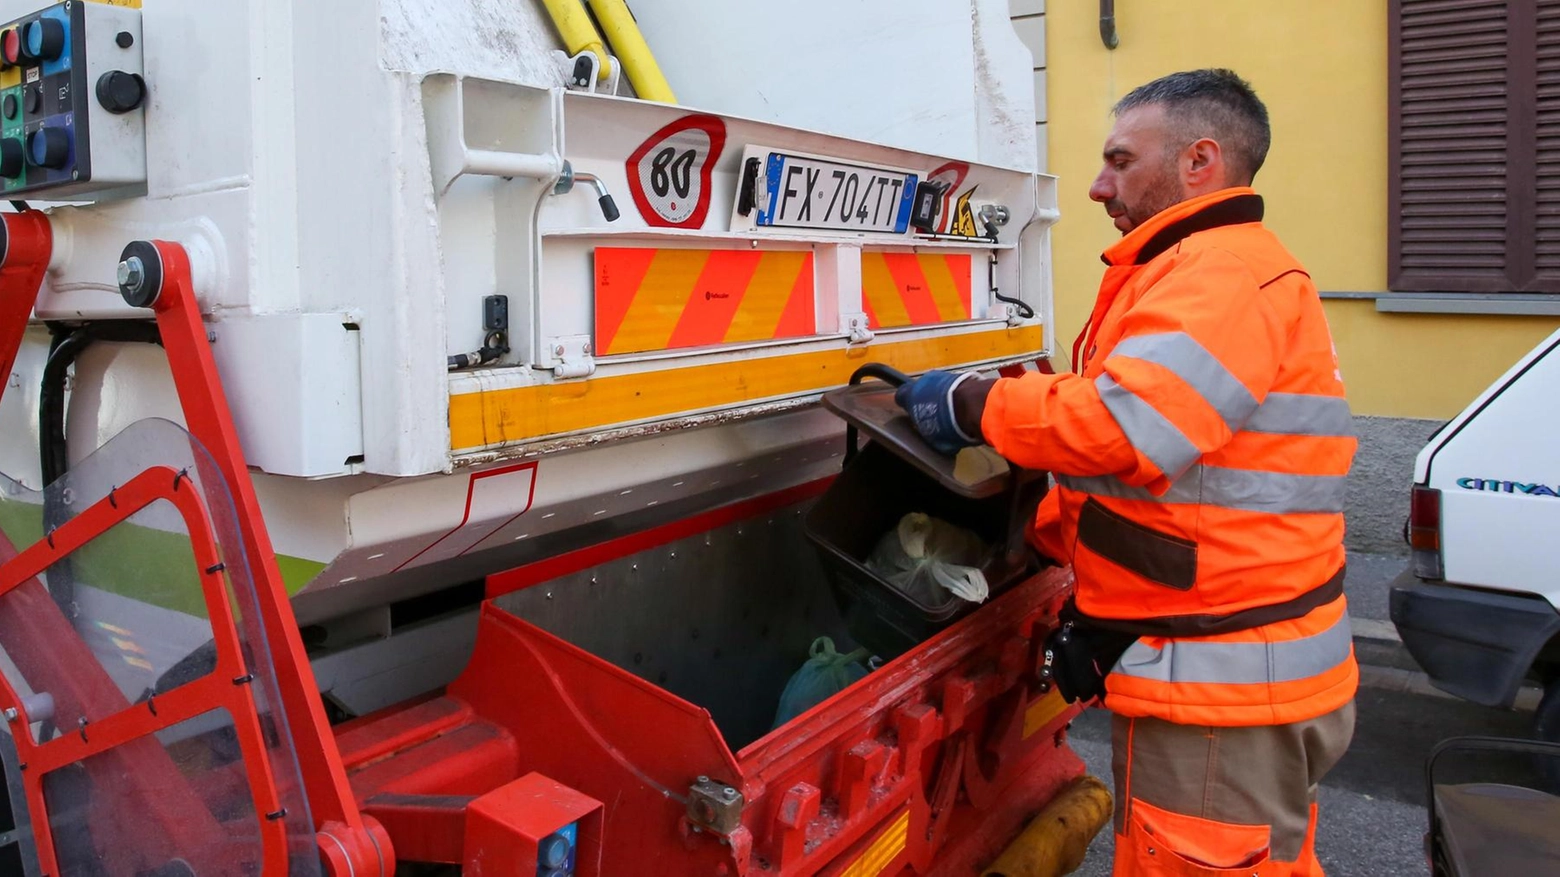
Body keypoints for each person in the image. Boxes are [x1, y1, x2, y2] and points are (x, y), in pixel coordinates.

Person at [895, 69, 1357, 876]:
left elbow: (1122, 423)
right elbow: (1191, 479)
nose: (1098, 184)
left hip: (1224, 692)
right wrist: (1052, 547)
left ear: (1200, 162)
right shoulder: (1216, 270)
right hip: (1244, 667)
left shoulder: (1216, 275)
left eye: (1119, 159)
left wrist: (972, 405)